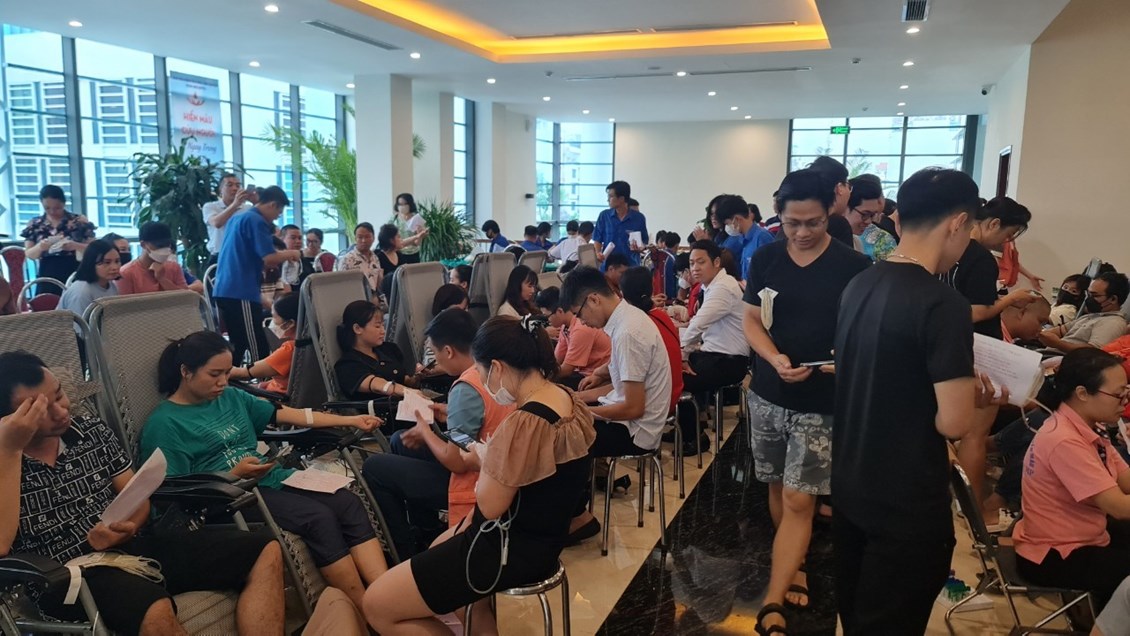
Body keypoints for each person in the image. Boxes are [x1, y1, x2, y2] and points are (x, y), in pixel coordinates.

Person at [832, 167, 1007, 634]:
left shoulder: (860, 284)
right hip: (905, 499)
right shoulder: (943, 303)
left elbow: (882, 374)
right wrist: (975, 399)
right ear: (958, 222)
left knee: (858, 617)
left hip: (851, 483)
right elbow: (953, 424)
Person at [0, 351, 285, 636]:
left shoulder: (91, 432)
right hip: (62, 577)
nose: (61, 411)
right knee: (153, 606)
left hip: (127, 550)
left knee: (263, 548)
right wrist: (10, 449)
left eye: (59, 395)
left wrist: (129, 526)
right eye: (38, 411)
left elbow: (137, 498)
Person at [362, 315, 595, 635]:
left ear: (496, 367)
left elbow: (489, 504)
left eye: (482, 372)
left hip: (508, 546)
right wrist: (490, 454)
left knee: (376, 605)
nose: (483, 381)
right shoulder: (565, 397)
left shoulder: (524, 422)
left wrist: (486, 458)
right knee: (440, 550)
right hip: (542, 537)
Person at [141, 331, 386, 611]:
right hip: (228, 498)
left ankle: (383, 593)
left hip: (266, 479)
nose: (223, 382)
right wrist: (233, 474)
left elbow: (290, 414)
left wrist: (351, 420)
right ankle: (366, 608)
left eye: (227, 373)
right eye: (214, 374)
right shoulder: (165, 424)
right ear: (186, 371)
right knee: (317, 517)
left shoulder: (231, 397)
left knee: (346, 502)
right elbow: (173, 493)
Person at [741, 169, 871, 634]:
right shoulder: (766, 258)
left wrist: (847, 358)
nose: (801, 232)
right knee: (778, 485)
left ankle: (775, 598)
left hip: (822, 398)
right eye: (791, 223)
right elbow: (751, 320)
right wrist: (774, 358)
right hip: (770, 392)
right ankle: (791, 562)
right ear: (778, 215)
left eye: (813, 222)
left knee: (801, 497)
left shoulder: (854, 267)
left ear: (830, 212)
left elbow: (865, 332)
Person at [362, 308, 516, 559]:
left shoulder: (465, 388)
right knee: (400, 441)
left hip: (476, 482)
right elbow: (476, 436)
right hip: (496, 465)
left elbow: (456, 462)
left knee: (374, 467)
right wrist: (449, 415)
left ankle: (405, 552)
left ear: (448, 351)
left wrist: (425, 430)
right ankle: (426, 530)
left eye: (434, 354)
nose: (436, 362)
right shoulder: (493, 369)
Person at [1012, 348, 1130, 613]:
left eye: (1127, 393)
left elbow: (1126, 479)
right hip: (1055, 554)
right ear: (1082, 393)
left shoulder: (1086, 427)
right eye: (1118, 395)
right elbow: (1119, 507)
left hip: (1079, 536)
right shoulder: (1064, 440)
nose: (1124, 402)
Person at [561, 266, 671, 537]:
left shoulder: (628, 333)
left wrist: (584, 411)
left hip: (637, 432)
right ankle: (575, 508)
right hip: (632, 417)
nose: (582, 322)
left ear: (594, 299)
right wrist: (577, 398)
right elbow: (623, 387)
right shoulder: (628, 317)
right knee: (567, 409)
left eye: (579, 314)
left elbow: (633, 407)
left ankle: (577, 517)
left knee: (564, 437)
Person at [213, 186, 300, 365]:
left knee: (239, 342)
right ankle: (262, 378)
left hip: (226, 287)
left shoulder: (238, 217)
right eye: (278, 212)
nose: (276, 217)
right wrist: (292, 253)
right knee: (255, 342)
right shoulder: (256, 220)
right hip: (240, 289)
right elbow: (269, 258)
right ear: (273, 205)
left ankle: (232, 377)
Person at [678, 240, 750, 454]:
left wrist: (683, 354)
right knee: (671, 370)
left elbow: (698, 325)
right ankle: (689, 426)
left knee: (675, 380)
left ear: (716, 262)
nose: (695, 268)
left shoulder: (722, 288)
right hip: (715, 355)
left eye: (701, 262)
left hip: (729, 362)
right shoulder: (713, 286)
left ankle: (693, 437)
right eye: (692, 263)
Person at [941, 196, 1036, 340]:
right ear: (994, 224)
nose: (1006, 242)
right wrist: (1012, 298)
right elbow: (978, 311)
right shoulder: (981, 258)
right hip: (974, 339)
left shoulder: (950, 248)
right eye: (1008, 235)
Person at [618, 266, 684, 421]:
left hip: (659, 402)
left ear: (622, 295)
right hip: (674, 391)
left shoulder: (635, 326)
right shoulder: (661, 315)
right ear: (651, 289)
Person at [334, 300, 420, 407]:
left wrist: (416, 379)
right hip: (383, 412)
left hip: (407, 403)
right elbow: (376, 385)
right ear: (357, 329)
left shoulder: (389, 349)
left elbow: (404, 379)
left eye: (383, 326)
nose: (383, 331)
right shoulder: (348, 364)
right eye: (377, 326)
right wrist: (408, 392)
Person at [21, 185, 96, 295]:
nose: (52, 211)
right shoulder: (36, 224)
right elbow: (29, 254)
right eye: (47, 208)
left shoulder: (79, 221)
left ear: (64, 203)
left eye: (57, 208)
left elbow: (94, 248)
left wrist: (75, 245)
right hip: (47, 270)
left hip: (74, 268)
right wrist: (40, 247)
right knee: (48, 302)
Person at [535, 286, 612, 390]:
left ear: (560, 311)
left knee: (552, 387)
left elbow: (567, 370)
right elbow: (557, 359)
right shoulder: (565, 327)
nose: (547, 321)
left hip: (598, 375)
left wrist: (539, 379)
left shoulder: (580, 329)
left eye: (546, 316)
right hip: (584, 371)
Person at [229, 292, 300, 394]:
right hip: (277, 390)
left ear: (289, 323)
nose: (272, 322)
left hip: (275, 396)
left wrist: (217, 370)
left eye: (274, 317)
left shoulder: (289, 350)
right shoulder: (315, 343)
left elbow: (243, 373)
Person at [1040, 272, 1130, 351]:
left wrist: (1058, 344)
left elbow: (1093, 353)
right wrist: (1038, 333)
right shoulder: (1091, 316)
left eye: (1095, 296)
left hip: (1060, 359)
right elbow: (1060, 330)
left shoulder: (1113, 323)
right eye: (1088, 294)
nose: (1089, 299)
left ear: (1113, 299)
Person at [116, 221, 189, 295]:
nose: (164, 249)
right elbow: (126, 302)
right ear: (143, 244)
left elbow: (186, 297)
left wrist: (162, 279)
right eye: (159, 246)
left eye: (167, 245)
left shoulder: (174, 267)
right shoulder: (126, 273)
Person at [714, 195, 773, 283]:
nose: (727, 227)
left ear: (736, 219)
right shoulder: (743, 240)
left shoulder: (762, 238)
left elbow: (772, 276)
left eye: (727, 223)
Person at [593, 180, 648, 269]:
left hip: (631, 267)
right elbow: (597, 238)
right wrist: (598, 253)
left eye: (611, 196)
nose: (608, 200)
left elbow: (644, 241)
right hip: (609, 267)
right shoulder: (604, 216)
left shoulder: (639, 218)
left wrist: (640, 248)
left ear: (621, 198)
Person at [202, 173, 255, 262]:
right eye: (229, 185)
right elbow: (216, 223)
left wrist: (255, 201)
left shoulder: (248, 209)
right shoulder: (210, 206)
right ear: (220, 189)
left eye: (238, 185)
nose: (235, 188)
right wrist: (235, 204)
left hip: (243, 256)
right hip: (219, 256)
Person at [58, 239, 120, 317]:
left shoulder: (111, 284)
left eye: (117, 261)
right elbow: (79, 324)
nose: (115, 267)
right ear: (91, 263)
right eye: (107, 262)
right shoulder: (81, 292)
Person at [805, 156, 856, 247]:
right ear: (839, 188)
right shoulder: (838, 225)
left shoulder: (797, 221)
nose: (849, 192)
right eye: (848, 186)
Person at [845, 176, 898, 262]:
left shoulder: (880, 239)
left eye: (872, 215)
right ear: (845, 206)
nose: (868, 221)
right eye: (865, 215)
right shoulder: (827, 238)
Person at [337, 222, 383, 296]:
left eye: (367, 237)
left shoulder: (375, 258)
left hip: (374, 298)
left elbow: (378, 282)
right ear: (355, 238)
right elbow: (341, 285)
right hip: (355, 298)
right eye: (360, 237)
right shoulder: (347, 259)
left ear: (373, 238)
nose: (363, 240)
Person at [392, 193, 427, 264]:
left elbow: (417, 243)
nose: (402, 206)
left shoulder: (416, 219)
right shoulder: (394, 220)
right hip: (398, 253)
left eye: (405, 204)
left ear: (410, 204)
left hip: (413, 253)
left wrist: (420, 235)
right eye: (400, 204)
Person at [279, 224, 313, 288]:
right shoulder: (276, 263)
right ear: (282, 239)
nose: (298, 241)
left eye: (300, 238)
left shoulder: (306, 263)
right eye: (293, 238)